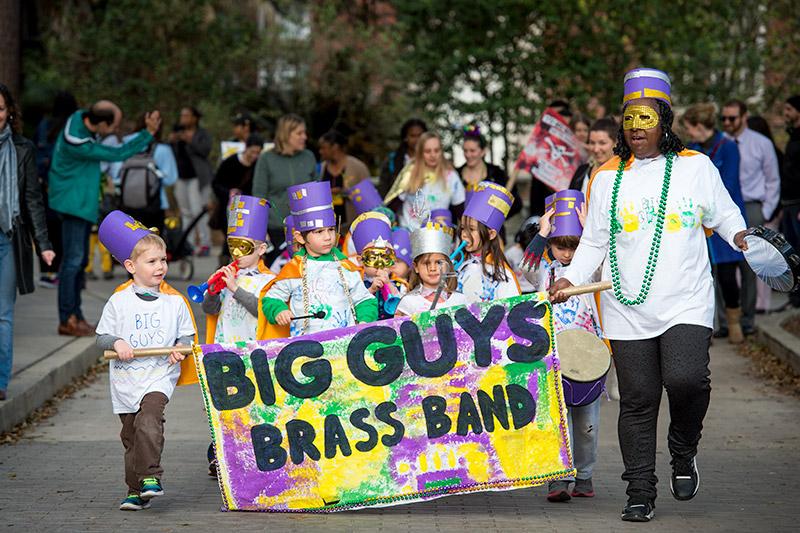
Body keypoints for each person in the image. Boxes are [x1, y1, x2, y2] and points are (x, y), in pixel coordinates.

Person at [548, 68, 748, 522]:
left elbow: (728, 215)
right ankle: (640, 490)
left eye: (646, 117)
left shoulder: (695, 167)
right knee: (637, 399)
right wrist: (570, 278)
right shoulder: (604, 177)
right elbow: (595, 241)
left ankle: (683, 448)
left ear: (664, 120)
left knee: (686, 380)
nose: (636, 127)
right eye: (628, 118)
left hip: (686, 301)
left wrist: (742, 239)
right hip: (626, 306)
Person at [95, 211, 196, 511]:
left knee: (150, 420)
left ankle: (151, 477)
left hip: (157, 376)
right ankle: (135, 490)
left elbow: (187, 337)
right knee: (131, 437)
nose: (160, 266)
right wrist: (117, 342)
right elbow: (101, 337)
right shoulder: (119, 300)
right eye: (152, 262)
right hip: (126, 381)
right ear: (130, 266)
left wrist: (180, 348)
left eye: (163, 260)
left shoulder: (174, 301)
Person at [48, 100, 161, 337]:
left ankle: (76, 315)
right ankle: (67, 318)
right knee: (73, 261)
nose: (113, 132)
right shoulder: (80, 144)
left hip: (78, 203)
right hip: (73, 204)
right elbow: (118, 153)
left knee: (77, 262)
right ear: (100, 123)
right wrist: (147, 133)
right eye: (112, 127)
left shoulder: (80, 120)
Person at [524, 202, 603, 503]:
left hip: (586, 357)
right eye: (560, 246)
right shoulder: (544, 272)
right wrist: (543, 233)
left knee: (586, 423)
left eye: (574, 246)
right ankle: (557, 477)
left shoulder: (590, 270)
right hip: (551, 356)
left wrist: (592, 230)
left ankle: (584, 475)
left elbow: (608, 259)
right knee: (554, 420)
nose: (567, 254)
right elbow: (527, 268)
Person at [260, 181, 377, 338]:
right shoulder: (293, 269)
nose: (328, 237)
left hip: (344, 343)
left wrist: (364, 322)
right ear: (300, 237)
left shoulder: (346, 267)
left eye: (331, 230)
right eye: (319, 232)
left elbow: (365, 300)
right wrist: (279, 311)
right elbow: (271, 299)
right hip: (305, 347)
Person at [0, 84, 55, 401]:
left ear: (9, 112)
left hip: (8, 237)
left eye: (0, 107)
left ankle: (1, 380)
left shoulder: (22, 149)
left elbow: (33, 200)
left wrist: (44, 243)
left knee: (4, 314)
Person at [682, 103, 746, 342]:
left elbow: (727, 183)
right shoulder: (691, 150)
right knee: (703, 272)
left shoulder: (728, 147)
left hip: (722, 215)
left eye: (690, 128)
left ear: (699, 126)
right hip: (699, 220)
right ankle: (706, 326)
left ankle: (734, 323)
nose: (688, 133)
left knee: (728, 275)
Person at [720, 99, 780, 334]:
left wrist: (764, 212)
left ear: (744, 117)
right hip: (725, 207)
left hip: (752, 205)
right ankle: (725, 322)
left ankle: (748, 320)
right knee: (723, 267)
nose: (727, 122)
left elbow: (773, 180)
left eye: (732, 118)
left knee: (750, 267)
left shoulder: (761, 144)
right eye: (724, 118)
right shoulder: (720, 144)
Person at [252, 114, 317, 266]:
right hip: (276, 229)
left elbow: (316, 193)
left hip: (306, 229)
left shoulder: (309, 157)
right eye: (299, 133)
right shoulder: (266, 159)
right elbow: (259, 196)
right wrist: (261, 230)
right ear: (286, 134)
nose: (304, 137)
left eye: (304, 133)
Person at [33, 91, 76, 287]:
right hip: (65, 187)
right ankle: (62, 272)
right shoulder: (72, 127)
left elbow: (34, 153)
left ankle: (46, 271)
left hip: (44, 184)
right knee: (63, 230)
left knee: (46, 228)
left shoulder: (44, 125)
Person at [386, 132, 466, 229]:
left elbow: (460, 213)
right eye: (428, 151)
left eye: (436, 150)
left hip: (439, 237)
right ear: (420, 153)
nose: (433, 155)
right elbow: (393, 206)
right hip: (410, 236)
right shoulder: (410, 174)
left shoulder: (451, 177)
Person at [456, 183, 520, 303]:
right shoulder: (456, 266)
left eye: (472, 229)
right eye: (463, 228)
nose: (464, 234)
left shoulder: (502, 274)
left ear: (491, 234)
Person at [457, 126, 522, 240]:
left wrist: (496, 218)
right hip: (465, 237)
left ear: (483, 151)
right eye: (465, 151)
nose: (468, 155)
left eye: (472, 150)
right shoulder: (456, 175)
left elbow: (516, 203)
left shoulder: (497, 174)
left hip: (493, 237)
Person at [210, 134, 264, 264]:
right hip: (227, 208)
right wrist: (228, 193)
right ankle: (224, 264)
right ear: (246, 148)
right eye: (252, 152)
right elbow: (216, 183)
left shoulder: (259, 166)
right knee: (231, 236)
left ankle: (230, 264)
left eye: (258, 153)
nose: (255, 156)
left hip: (247, 209)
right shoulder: (230, 162)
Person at [395, 222, 468, 317]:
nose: (432, 268)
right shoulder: (408, 303)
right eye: (426, 263)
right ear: (416, 267)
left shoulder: (460, 300)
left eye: (439, 262)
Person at [171, 106, 214, 256]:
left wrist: (190, 141)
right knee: (185, 212)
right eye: (182, 115)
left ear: (195, 118)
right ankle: (187, 244)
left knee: (198, 211)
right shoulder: (177, 132)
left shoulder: (201, 134)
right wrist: (173, 141)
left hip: (197, 177)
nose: (183, 119)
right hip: (181, 176)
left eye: (187, 116)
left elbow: (205, 150)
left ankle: (205, 244)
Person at [350, 212, 405, 320]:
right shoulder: (356, 284)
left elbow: (404, 308)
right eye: (372, 258)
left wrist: (389, 284)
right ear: (360, 261)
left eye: (385, 258)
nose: (379, 264)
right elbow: (352, 309)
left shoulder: (400, 285)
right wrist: (371, 290)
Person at [318, 129, 370, 227]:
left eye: (323, 148)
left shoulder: (358, 167)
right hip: (326, 227)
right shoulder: (320, 168)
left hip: (353, 226)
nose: (320, 152)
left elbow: (369, 199)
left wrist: (343, 192)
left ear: (335, 147)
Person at [378, 118, 427, 197]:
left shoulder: (432, 159)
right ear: (405, 138)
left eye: (420, 135)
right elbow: (383, 188)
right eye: (413, 136)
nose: (417, 139)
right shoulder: (392, 160)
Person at [569, 117, 619, 193]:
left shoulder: (623, 175)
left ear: (615, 143)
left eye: (602, 143)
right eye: (592, 143)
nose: (596, 149)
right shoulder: (581, 171)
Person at [783, 95, 800, 308]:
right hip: (787, 202)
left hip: (798, 203)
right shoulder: (792, 135)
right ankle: (794, 297)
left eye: (788, 109)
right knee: (791, 254)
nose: (785, 114)